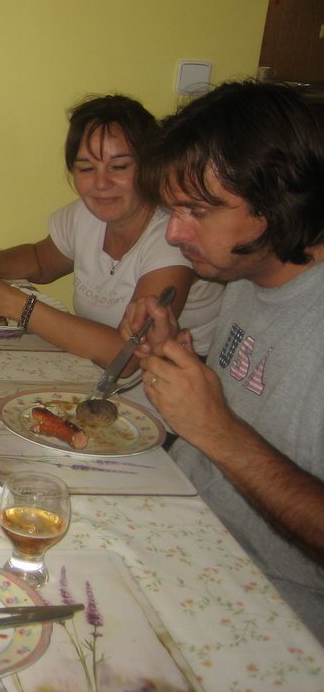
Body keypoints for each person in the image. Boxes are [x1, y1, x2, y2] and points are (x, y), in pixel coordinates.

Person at [122, 80, 324, 642]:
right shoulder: (249, 274)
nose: (173, 232)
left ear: (279, 201)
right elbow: (262, 390)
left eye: (197, 211)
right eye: (173, 209)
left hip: (268, 605)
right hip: (183, 522)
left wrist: (218, 431)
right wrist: (180, 355)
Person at [0, 94, 223, 367]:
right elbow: (41, 260)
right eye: (86, 168)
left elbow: (127, 355)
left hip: (167, 381)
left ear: (150, 166)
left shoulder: (174, 236)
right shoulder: (87, 214)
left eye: (118, 167)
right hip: (96, 372)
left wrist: (14, 304)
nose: (101, 183)